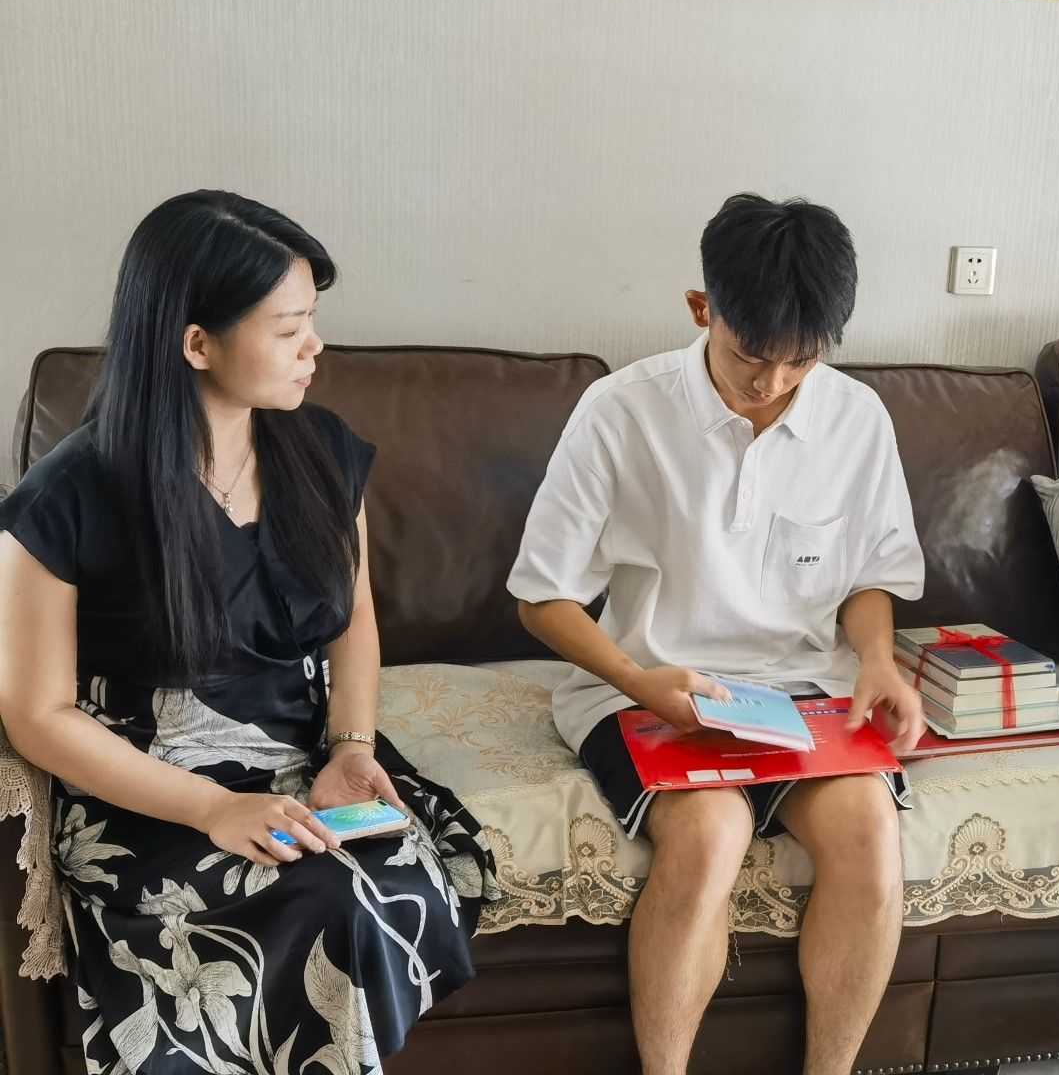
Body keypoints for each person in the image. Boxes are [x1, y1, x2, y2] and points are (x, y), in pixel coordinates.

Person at [0, 190, 500, 1074]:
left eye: (313, 321)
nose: (316, 347)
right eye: (289, 328)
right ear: (197, 343)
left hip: (299, 755)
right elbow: (36, 716)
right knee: (322, 904)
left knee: (387, 886)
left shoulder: (322, 451)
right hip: (150, 787)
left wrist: (350, 747)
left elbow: (354, 624)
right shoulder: (67, 499)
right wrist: (213, 808)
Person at [508, 193, 926, 1075]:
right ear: (703, 309)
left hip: (803, 690)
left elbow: (869, 577)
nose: (771, 383)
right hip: (644, 685)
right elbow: (541, 598)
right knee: (710, 835)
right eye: (750, 355)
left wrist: (878, 660)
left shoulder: (857, 419)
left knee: (868, 832)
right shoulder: (620, 411)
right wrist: (640, 681)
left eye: (800, 360)